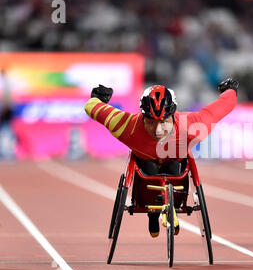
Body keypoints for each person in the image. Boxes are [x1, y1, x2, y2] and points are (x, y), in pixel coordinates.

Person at [85, 78, 239, 237]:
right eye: (151, 122)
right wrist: (98, 99)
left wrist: (230, 90)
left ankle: (170, 206)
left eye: (164, 122)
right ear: (143, 117)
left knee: (173, 166)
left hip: (175, 169)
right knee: (149, 167)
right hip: (145, 173)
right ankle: (152, 214)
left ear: (172, 115)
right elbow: (93, 108)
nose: (158, 130)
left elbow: (223, 106)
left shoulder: (191, 126)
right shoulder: (127, 126)